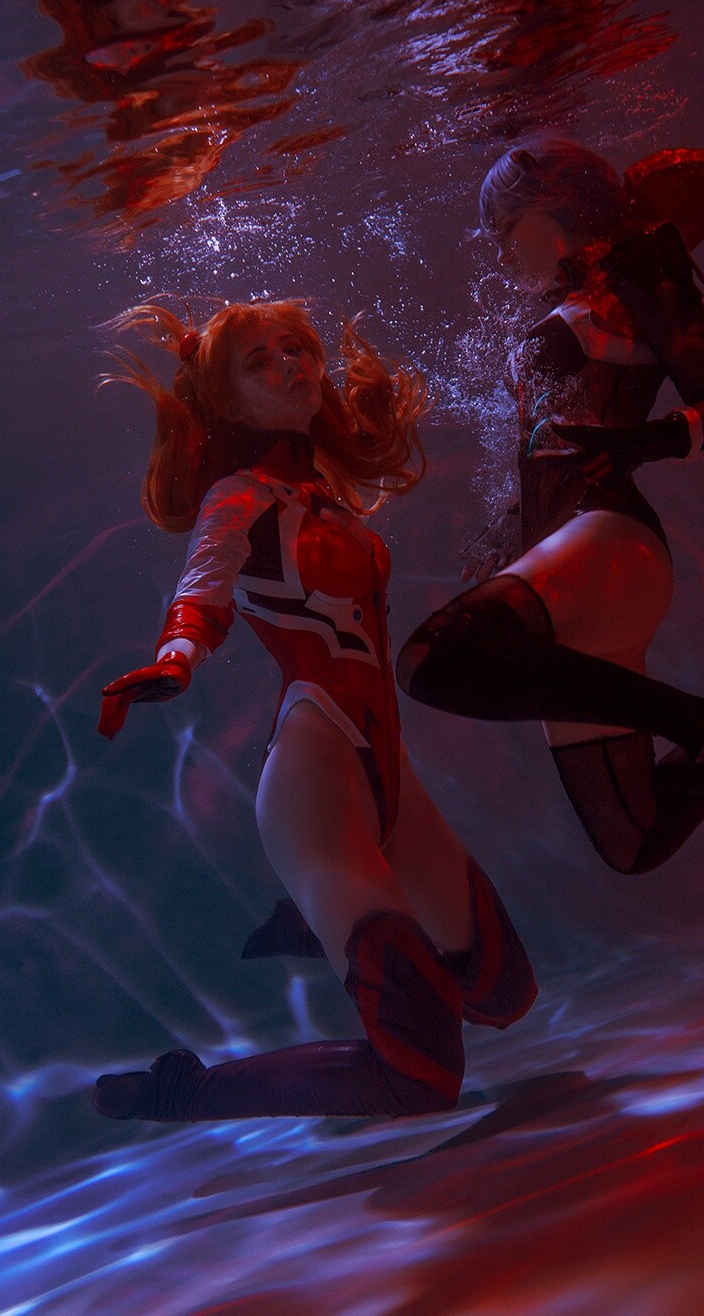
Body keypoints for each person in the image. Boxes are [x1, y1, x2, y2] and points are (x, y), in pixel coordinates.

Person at [394, 141, 704, 874]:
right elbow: (546, 440)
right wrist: (511, 525)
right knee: (633, 842)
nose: (498, 252)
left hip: (607, 539)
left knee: (430, 659)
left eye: (504, 228)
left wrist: (638, 443)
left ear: (555, 205)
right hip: (571, 559)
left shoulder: (645, 272)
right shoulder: (573, 301)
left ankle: (702, 722)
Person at [91, 299, 536, 1124]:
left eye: (296, 348)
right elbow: (204, 588)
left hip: (387, 775)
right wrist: (174, 659)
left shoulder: (323, 497)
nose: (290, 365)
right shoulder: (238, 496)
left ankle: (318, 920)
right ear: (227, 401)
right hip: (316, 785)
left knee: (501, 992)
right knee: (421, 1078)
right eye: (260, 361)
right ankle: (185, 1090)